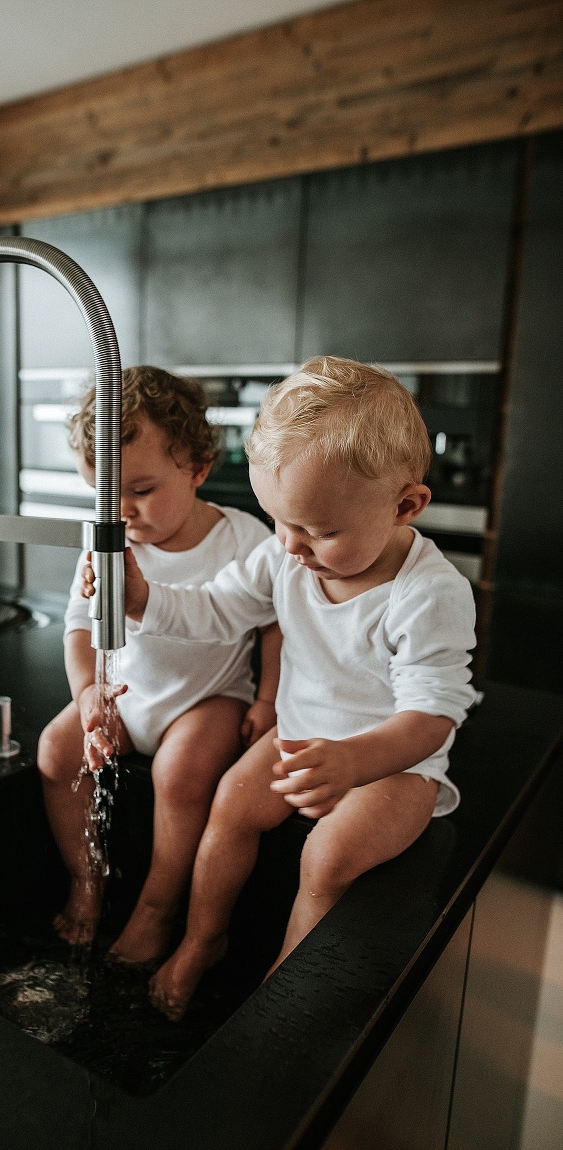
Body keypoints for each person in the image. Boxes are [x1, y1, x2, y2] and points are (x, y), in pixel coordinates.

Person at [105, 356, 478, 1019]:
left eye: (321, 530)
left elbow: (432, 715)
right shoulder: (286, 555)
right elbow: (217, 608)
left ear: (405, 506)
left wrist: (354, 762)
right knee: (231, 804)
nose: (292, 545)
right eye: (279, 520)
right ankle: (202, 941)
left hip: (396, 766)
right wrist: (142, 600)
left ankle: (282, 988)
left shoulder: (429, 593)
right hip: (301, 737)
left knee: (328, 856)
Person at [37, 365, 281, 964]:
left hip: (208, 699)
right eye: (104, 495)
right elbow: (79, 625)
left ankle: (156, 908)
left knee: (181, 774)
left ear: (198, 468)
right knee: (55, 751)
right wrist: (87, 693)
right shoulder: (108, 542)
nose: (121, 511)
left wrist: (267, 699)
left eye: (141, 490)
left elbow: (276, 625)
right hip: (125, 695)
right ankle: (86, 876)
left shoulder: (245, 540)